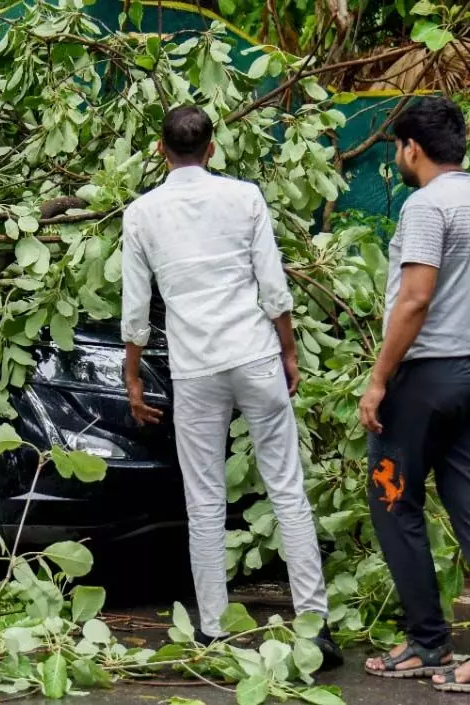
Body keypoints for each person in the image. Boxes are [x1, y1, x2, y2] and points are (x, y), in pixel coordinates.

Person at [121, 105, 341, 661]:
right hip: (255, 356)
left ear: (160, 149)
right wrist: (289, 349)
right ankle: (314, 622)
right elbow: (272, 285)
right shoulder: (245, 198)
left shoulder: (142, 213)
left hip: (196, 370)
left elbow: (136, 308)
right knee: (286, 488)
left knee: (204, 502)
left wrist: (131, 375)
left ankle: (214, 628)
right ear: (212, 148)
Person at [359, 97, 470, 690]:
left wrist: (378, 380)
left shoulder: (427, 206)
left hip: (425, 379)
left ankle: (428, 642)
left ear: (412, 149)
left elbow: (415, 299)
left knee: (393, 499)